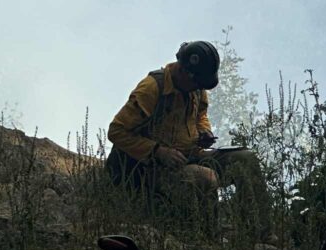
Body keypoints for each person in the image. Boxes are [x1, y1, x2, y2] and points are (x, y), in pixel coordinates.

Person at [106, 41, 270, 234]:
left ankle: (261, 234)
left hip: (190, 155)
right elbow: (117, 131)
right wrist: (158, 151)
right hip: (152, 168)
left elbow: (200, 114)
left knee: (246, 159)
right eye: (197, 84)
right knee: (205, 178)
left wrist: (204, 131)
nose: (199, 89)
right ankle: (207, 238)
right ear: (184, 71)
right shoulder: (151, 88)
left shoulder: (196, 86)